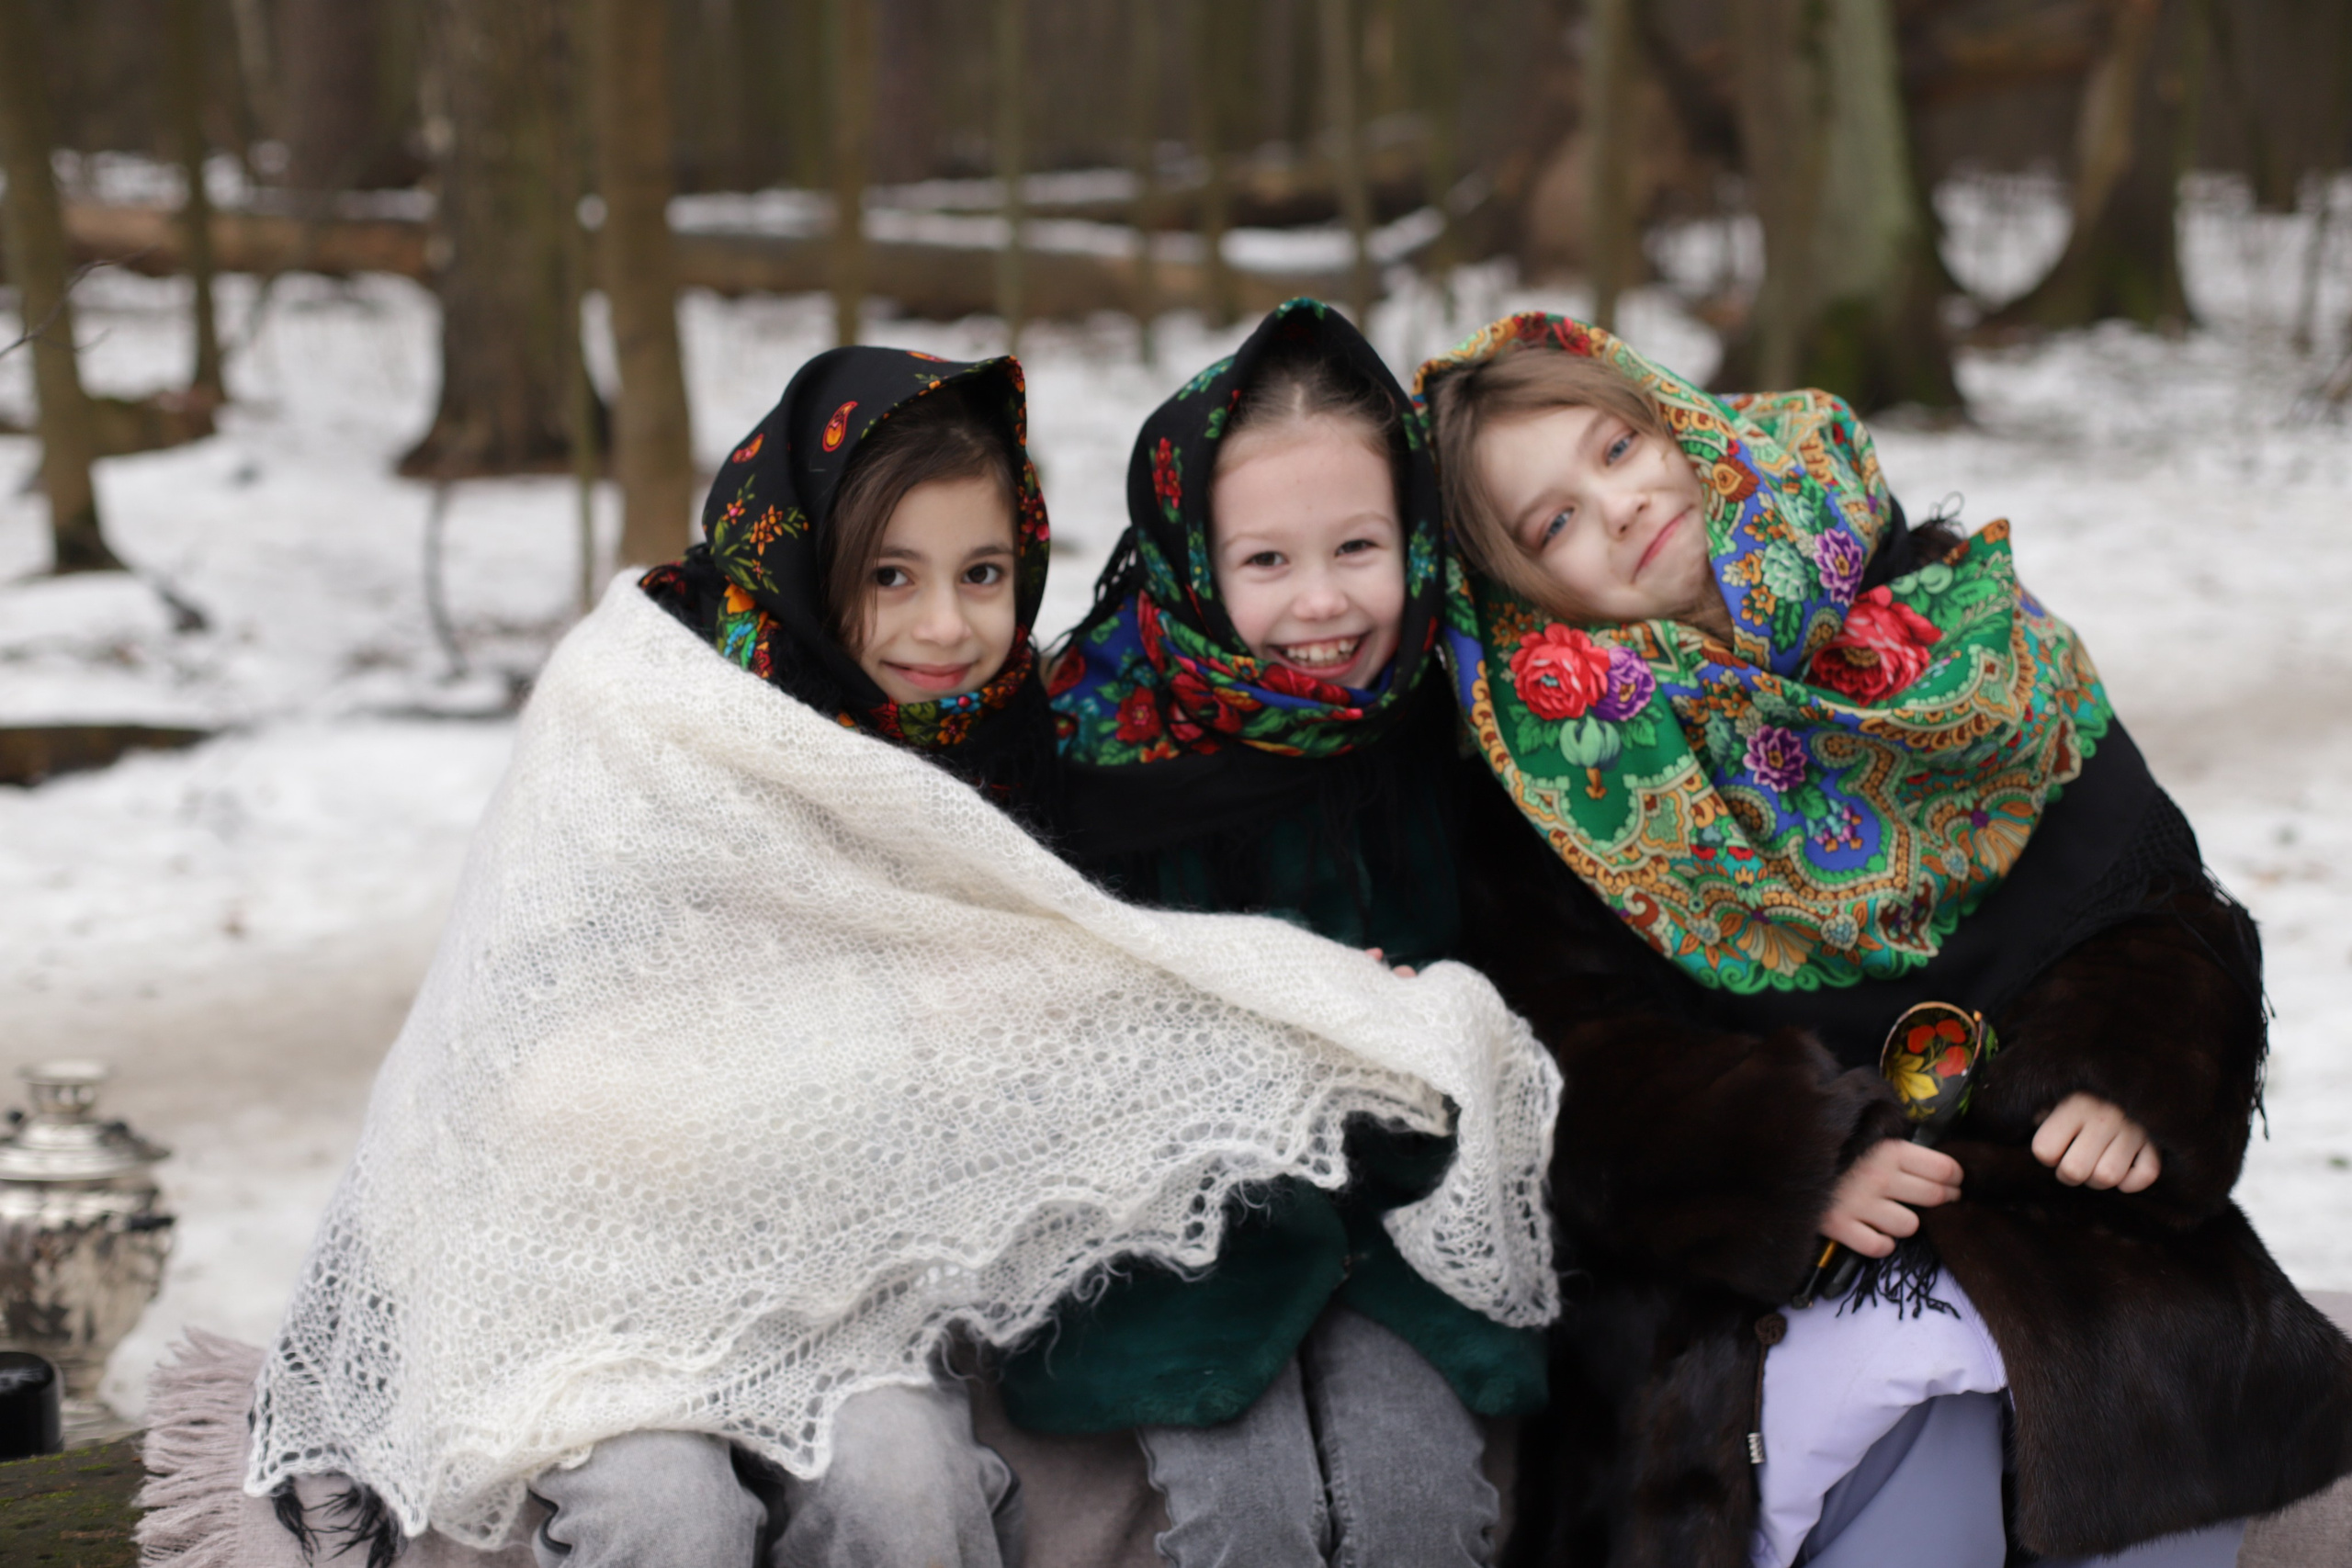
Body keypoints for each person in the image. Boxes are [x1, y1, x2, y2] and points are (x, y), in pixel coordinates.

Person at [237, 344, 1559, 1568]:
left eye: (983, 575)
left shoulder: (996, 752)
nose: (944, 627)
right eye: (890, 576)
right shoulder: (646, 715)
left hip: (841, 1269)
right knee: (669, 1520)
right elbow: (512, 1036)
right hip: (597, 1267)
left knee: (913, 1497)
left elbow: (1071, 982)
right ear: (808, 557)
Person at [1417, 312, 2352, 1567]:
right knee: (1913, 1489)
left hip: (2058, 1221)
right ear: (1525, 598)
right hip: (1784, 1292)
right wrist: (1790, 1160)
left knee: (2152, 1462)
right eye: (1555, 524)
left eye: (1619, 447)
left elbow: (2155, 899)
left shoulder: (1950, 621)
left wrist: (2129, 1068)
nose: (1620, 504)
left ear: (1682, 425)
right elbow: (1562, 1058)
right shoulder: (1557, 777)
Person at [1014, 299, 1545, 1568]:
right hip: (1182, 1239)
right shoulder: (1092, 747)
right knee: (1243, 1523)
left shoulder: (1455, 715)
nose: (1322, 605)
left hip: (1402, 1222)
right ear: (1196, 560)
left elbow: (1532, 974)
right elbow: (1040, 1029)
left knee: (1419, 1507)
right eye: (1265, 563)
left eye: (1358, 547)